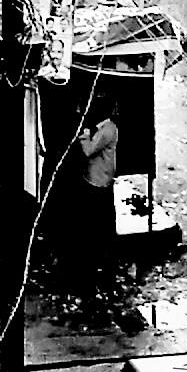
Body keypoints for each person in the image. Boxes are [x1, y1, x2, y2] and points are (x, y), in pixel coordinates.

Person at [76, 102, 119, 289]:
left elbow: (88, 151)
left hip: (97, 179)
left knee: (97, 222)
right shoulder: (109, 128)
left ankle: (99, 262)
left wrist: (84, 135)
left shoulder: (105, 131)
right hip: (102, 178)